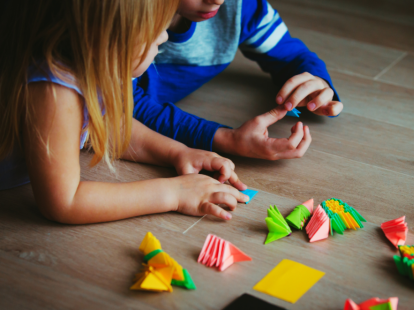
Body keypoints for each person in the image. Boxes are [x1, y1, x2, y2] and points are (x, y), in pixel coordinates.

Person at [0, 0, 249, 224]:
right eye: (155, 32)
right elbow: (65, 202)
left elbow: (108, 126)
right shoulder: (53, 91)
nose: (164, 38)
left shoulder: (89, 63)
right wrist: (175, 193)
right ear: (109, 41)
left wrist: (178, 153)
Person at [134, 0, 342, 160]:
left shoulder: (241, 6)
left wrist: (315, 81)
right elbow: (120, 107)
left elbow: (291, 55)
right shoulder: (120, 18)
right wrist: (225, 139)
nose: (217, 0)